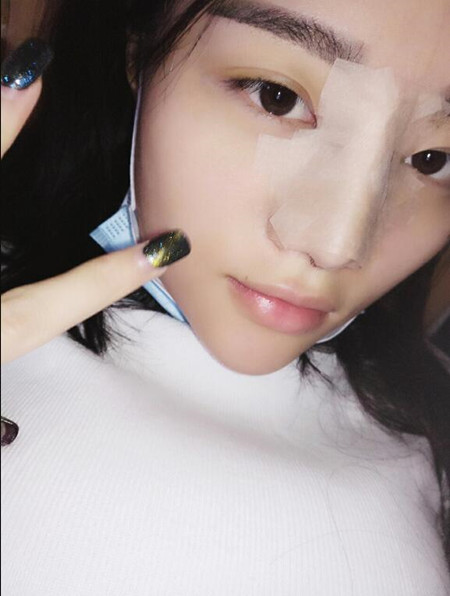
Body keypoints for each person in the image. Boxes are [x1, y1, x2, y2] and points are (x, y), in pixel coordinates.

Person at [1, 0, 449, 593]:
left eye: (432, 159)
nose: (336, 245)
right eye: (276, 98)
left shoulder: (429, 420)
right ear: (139, 51)